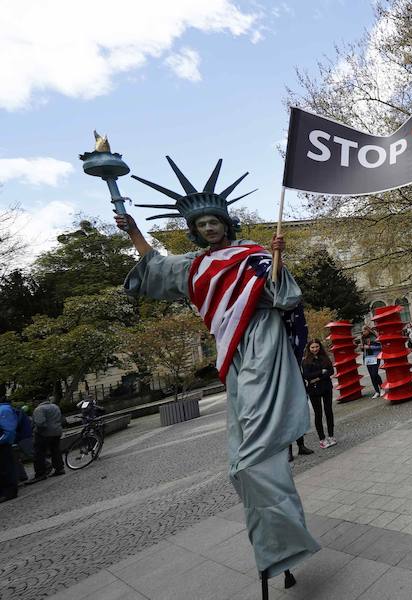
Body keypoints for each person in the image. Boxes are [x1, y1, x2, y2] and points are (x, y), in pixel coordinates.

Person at [116, 158, 319, 583]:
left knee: (252, 461)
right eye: (203, 224)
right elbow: (154, 265)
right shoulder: (194, 266)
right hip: (233, 355)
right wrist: (134, 231)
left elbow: (284, 298)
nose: (210, 228)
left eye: (215, 220)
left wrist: (276, 264)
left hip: (263, 346)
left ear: (227, 222)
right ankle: (278, 546)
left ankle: (281, 545)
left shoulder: (253, 255)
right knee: (242, 465)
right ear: (195, 230)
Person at [301, 340, 336, 449]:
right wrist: (321, 372)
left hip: (326, 387)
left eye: (317, 347)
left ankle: (331, 435)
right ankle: (322, 438)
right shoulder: (305, 361)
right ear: (309, 348)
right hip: (314, 390)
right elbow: (307, 376)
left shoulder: (325, 357)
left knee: (329, 411)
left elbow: (331, 371)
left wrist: (317, 378)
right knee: (318, 414)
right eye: (312, 347)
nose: (315, 349)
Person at [0, 398, 18, 502]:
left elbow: (9, 431)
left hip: (3, 445)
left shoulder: (3, 410)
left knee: (5, 469)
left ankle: (9, 492)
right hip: (3, 443)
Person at [360, 325, 383, 398]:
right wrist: (362, 348)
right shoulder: (363, 338)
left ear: (368, 330)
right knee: (371, 375)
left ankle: (382, 388)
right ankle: (377, 391)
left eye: (364, 331)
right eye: (362, 331)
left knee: (374, 374)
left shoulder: (373, 337)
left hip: (375, 357)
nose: (363, 332)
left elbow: (379, 347)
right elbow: (364, 349)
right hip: (367, 358)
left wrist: (370, 347)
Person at [13, 404, 34, 483]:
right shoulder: (17, 411)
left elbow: (15, 425)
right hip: (23, 435)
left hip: (21, 436)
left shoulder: (13, 412)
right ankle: (22, 475)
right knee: (15, 458)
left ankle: (46, 466)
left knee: (30, 453)